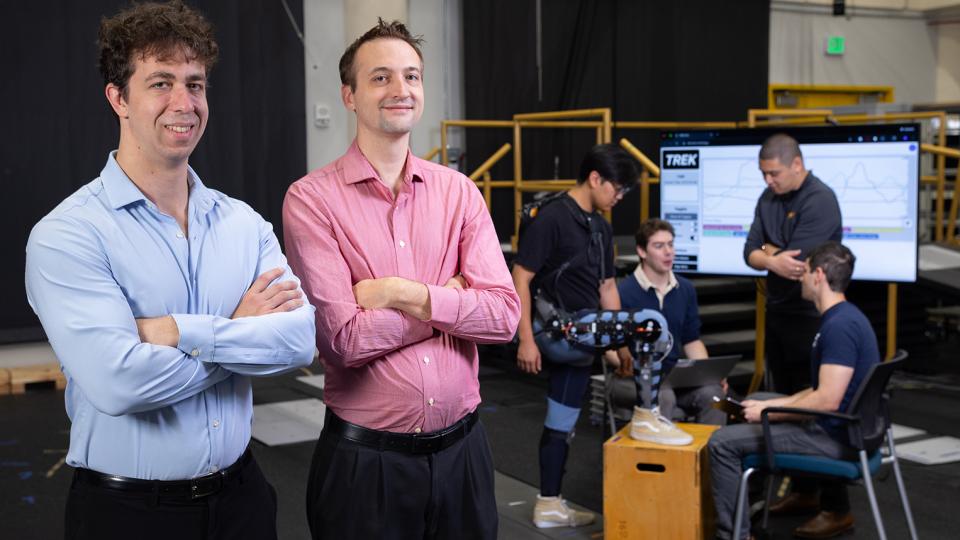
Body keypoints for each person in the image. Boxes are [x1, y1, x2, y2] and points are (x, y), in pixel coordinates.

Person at [24, 3, 317, 539]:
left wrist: (181, 332)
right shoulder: (68, 235)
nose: (184, 103)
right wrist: (239, 329)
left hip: (243, 501)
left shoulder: (243, 223)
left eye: (195, 84)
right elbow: (119, 384)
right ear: (119, 99)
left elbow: (298, 342)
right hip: (129, 514)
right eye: (161, 83)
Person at [282, 19, 520, 540]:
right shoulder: (312, 200)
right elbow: (343, 341)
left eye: (411, 76)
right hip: (368, 463)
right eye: (381, 77)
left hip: (465, 454)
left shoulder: (460, 193)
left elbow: (503, 317)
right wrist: (450, 302)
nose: (400, 89)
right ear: (349, 95)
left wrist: (402, 295)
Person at [709, 242, 876, 540]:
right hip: (844, 427)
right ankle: (742, 510)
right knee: (756, 400)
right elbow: (819, 389)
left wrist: (772, 413)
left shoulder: (840, 327)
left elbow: (827, 399)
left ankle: (734, 535)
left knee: (721, 443)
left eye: (806, 270)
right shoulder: (845, 317)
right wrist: (771, 405)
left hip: (834, 438)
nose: (800, 277)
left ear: (819, 276)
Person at [512, 143, 638, 528]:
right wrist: (525, 339)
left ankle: (549, 502)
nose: (618, 197)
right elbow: (521, 278)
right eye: (616, 189)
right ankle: (648, 411)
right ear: (595, 178)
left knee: (561, 421)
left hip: (582, 340)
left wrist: (619, 341)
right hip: (554, 332)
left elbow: (607, 287)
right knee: (653, 325)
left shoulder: (600, 226)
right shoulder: (551, 218)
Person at [743, 133, 843, 519]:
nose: (769, 181)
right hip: (779, 313)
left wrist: (766, 251)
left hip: (811, 316)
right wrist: (770, 256)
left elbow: (799, 262)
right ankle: (804, 492)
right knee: (782, 402)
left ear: (797, 165)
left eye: (774, 173)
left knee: (813, 407)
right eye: (764, 174)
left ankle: (836, 508)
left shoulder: (820, 200)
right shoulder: (767, 199)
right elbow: (750, 251)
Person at [618, 218, 726, 432]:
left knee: (713, 394)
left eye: (671, 244)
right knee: (662, 396)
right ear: (642, 251)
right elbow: (611, 348)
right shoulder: (624, 291)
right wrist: (627, 363)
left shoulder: (685, 289)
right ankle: (662, 462)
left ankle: (710, 461)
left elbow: (691, 340)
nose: (668, 252)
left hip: (676, 376)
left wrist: (710, 374)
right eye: (659, 246)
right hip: (637, 377)